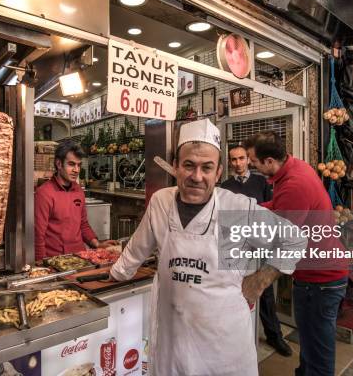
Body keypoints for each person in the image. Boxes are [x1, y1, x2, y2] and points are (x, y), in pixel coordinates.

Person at [110, 119, 308, 376]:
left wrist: (260, 281)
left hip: (222, 350)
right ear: (176, 167)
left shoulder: (236, 208)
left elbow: (295, 239)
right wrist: (116, 273)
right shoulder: (161, 202)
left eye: (207, 168)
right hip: (172, 343)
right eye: (189, 165)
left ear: (218, 173)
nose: (197, 177)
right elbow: (136, 250)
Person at [244, 131, 349, 376]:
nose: (250, 164)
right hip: (313, 277)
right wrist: (250, 207)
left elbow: (281, 239)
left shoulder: (294, 184)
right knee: (310, 344)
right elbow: (281, 207)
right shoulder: (294, 167)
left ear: (269, 161)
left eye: (252, 160)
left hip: (322, 280)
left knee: (318, 350)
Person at [220, 144, 291, 357]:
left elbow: (271, 209)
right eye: (233, 159)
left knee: (265, 293)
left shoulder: (262, 182)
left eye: (241, 158)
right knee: (234, 291)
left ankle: (274, 336)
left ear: (248, 160)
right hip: (235, 246)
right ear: (229, 162)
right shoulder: (225, 186)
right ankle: (235, 340)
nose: (238, 163)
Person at [34, 141, 116, 261]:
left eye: (79, 165)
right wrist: (40, 263)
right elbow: (38, 234)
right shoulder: (44, 193)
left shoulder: (78, 191)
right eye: (71, 164)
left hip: (80, 257)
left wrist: (97, 244)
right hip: (56, 260)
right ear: (59, 164)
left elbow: (83, 224)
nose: (76, 170)